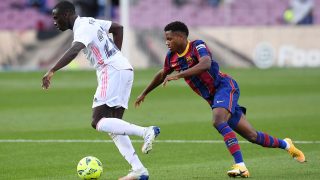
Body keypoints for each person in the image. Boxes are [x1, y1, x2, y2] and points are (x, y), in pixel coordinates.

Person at [134, 21, 306, 178]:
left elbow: (206, 64)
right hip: (213, 98)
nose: (167, 42)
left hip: (225, 87)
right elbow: (162, 73)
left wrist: (179, 75)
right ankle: (286, 145)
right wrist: (144, 93)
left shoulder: (197, 46)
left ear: (180, 37)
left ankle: (241, 166)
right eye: (166, 39)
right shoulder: (171, 57)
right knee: (252, 136)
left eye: (169, 38)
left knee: (218, 120)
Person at [41, 1, 160, 180]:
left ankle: (146, 132)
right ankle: (139, 170)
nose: (55, 22)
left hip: (111, 71)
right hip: (123, 69)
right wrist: (117, 55)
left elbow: (74, 50)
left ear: (67, 14)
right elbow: (118, 28)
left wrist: (52, 70)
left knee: (97, 121)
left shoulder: (82, 28)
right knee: (113, 126)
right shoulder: (90, 21)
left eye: (56, 18)